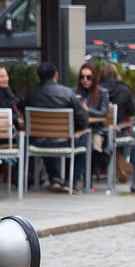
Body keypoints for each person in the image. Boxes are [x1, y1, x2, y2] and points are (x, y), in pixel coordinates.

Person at [21, 63, 88, 191]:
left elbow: (25, 117)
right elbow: (83, 120)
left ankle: (55, 177)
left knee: (44, 136)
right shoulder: (68, 93)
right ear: (56, 75)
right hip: (65, 142)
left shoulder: (30, 95)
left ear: (39, 78)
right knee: (85, 139)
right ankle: (71, 182)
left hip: (37, 143)